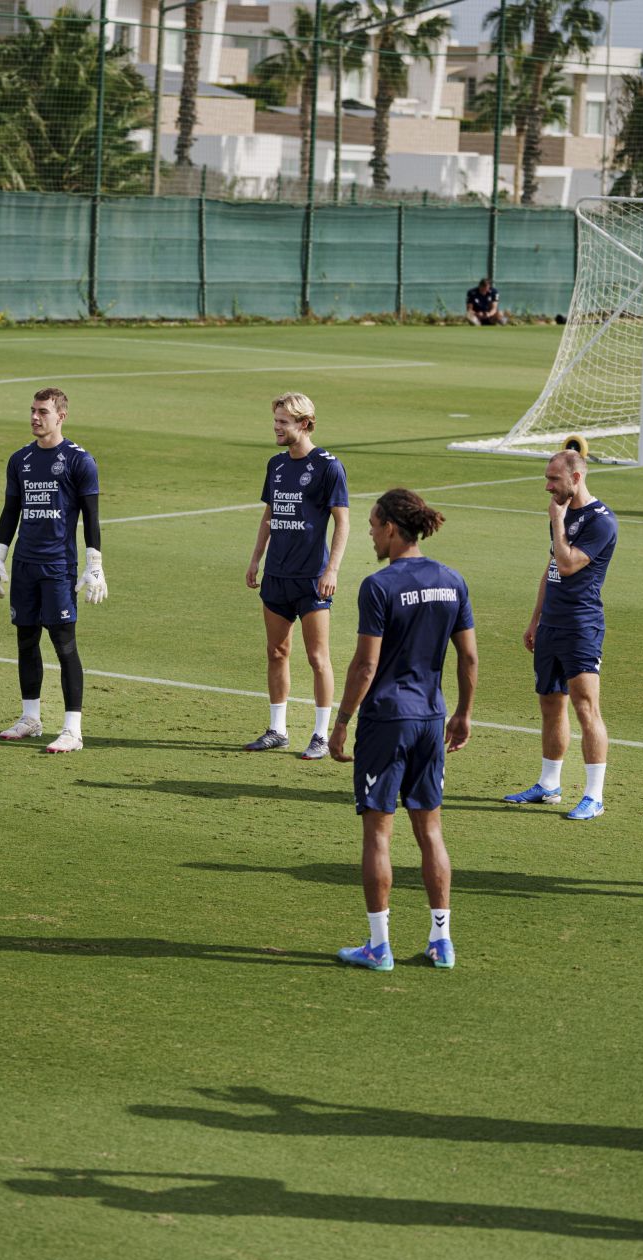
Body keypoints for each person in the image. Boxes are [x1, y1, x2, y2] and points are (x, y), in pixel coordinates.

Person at [327, 490, 476, 972]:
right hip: (432, 719)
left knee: (378, 835)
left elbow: (366, 665)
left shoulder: (378, 585)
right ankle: (442, 941)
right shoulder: (452, 580)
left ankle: (378, 946)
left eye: (373, 524)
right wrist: (464, 713)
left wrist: (342, 719)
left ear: (392, 527)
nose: (369, 531)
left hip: (387, 721)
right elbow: (469, 657)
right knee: (431, 831)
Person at [0, 387, 105, 754]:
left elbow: (91, 517)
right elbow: (11, 511)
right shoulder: (20, 459)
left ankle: (73, 730)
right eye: (32, 411)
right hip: (25, 564)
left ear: (61, 416)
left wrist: (95, 565)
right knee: (26, 641)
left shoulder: (78, 460)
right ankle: (30, 718)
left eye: (42, 411)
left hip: (58, 566)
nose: (35, 417)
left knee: (64, 644)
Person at [504, 449, 617, 819]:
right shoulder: (562, 512)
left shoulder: (601, 521)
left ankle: (594, 796)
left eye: (554, 479)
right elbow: (552, 566)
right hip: (551, 625)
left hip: (581, 627)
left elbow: (569, 565)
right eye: (547, 478)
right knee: (551, 704)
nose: (547, 486)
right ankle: (549, 784)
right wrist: (535, 618)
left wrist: (557, 520)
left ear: (577, 478)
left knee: (586, 708)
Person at [243, 392, 350, 760]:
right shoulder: (275, 464)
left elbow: (343, 522)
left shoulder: (328, 466)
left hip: (312, 578)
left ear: (303, 424)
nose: (276, 429)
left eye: (282, 423)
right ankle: (277, 729)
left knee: (318, 657)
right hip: (277, 574)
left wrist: (332, 569)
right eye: (274, 422)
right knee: (276, 651)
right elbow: (269, 515)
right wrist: (256, 558)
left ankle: (321, 735)